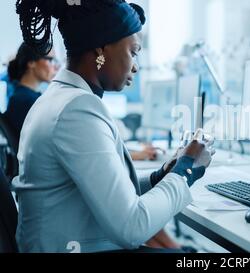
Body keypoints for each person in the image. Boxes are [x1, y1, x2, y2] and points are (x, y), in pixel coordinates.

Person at [12, 0, 214, 253]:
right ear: (102, 50)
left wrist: (159, 176)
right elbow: (132, 226)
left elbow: (102, 191)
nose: (136, 66)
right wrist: (187, 170)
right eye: (133, 51)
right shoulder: (76, 110)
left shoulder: (59, 98)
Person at [4, 43, 59, 137]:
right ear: (31, 62)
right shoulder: (25, 101)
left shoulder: (21, 97)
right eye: (50, 60)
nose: (55, 67)